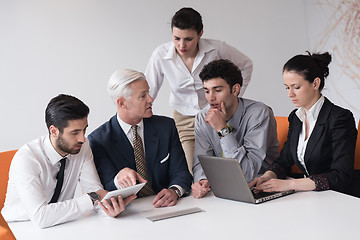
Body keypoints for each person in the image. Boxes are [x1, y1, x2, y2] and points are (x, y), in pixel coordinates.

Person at [145, 7, 253, 174]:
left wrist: (232, 97)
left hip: (217, 114)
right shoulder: (160, 55)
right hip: (183, 120)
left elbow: (246, 65)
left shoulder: (217, 49)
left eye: (188, 39)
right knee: (193, 171)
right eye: (176, 38)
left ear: (200, 33)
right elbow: (149, 90)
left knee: (228, 167)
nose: (181, 45)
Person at [1, 94, 135, 229]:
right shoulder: (27, 159)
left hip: (61, 223)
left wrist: (108, 208)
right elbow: (41, 217)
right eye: (75, 132)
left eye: (84, 129)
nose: (82, 138)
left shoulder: (81, 147)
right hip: (20, 227)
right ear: (54, 131)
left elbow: (94, 191)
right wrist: (92, 198)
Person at [249, 52, 357, 194]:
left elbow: (341, 175)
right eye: (287, 87)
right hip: (309, 195)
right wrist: (268, 176)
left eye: (296, 87)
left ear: (315, 84)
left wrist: (290, 184)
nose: (290, 94)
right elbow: (285, 160)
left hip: (338, 196)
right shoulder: (296, 117)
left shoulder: (340, 118)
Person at [88, 69, 192, 208]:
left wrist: (175, 190)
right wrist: (119, 180)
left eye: (148, 92)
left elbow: (181, 172)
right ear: (122, 103)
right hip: (129, 213)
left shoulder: (166, 127)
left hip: (167, 208)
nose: (151, 99)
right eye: (143, 96)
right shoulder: (98, 140)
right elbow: (106, 186)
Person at [192, 59, 279, 199]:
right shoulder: (202, 118)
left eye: (218, 90)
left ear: (235, 89)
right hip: (224, 189)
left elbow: (246, 173)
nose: (211, 98)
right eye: (207, 91)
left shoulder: (259, 114)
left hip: (261, 186)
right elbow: (201, 162)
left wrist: (222, 129)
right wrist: (201, 181)